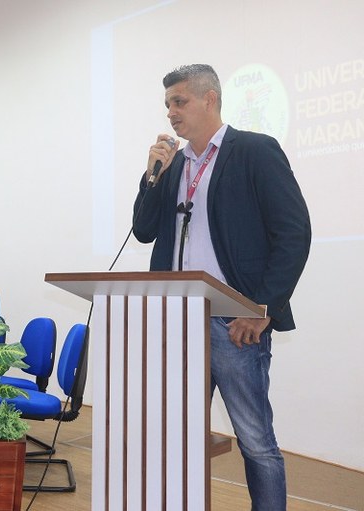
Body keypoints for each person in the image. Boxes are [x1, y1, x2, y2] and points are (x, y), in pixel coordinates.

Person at [132, 64, 311, 510]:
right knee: (178, 437)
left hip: (234, 323)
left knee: (255, 441)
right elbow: (143, 230)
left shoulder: (254, 150)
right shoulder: (174, 165)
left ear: (209, 98)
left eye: (180, 101)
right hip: (179, 320)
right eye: (167, 104)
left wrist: (261, 306)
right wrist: (152, 173)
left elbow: (293, 233)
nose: (171, 113)